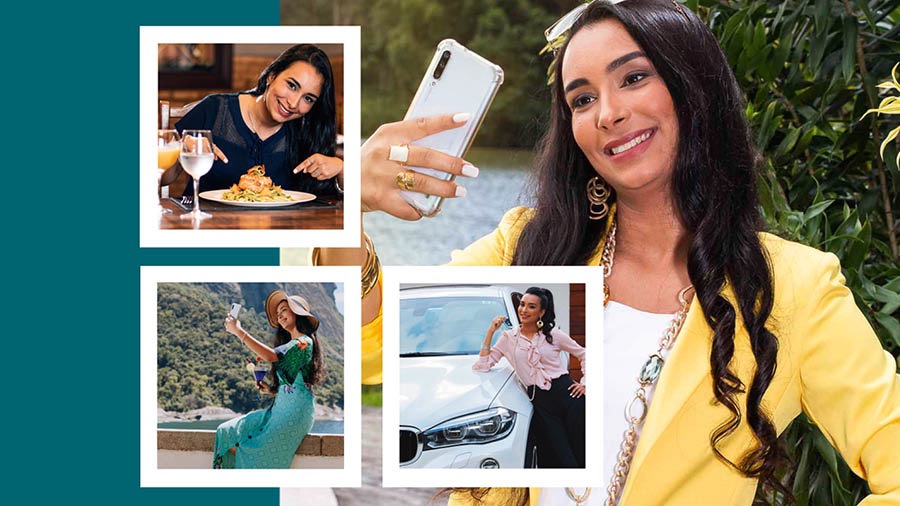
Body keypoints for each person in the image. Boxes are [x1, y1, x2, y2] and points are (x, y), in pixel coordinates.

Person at [315, 0, 899, 503]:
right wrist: (344, 213)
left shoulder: (794, 288)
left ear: (693, 87)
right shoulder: (527, 247)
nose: (609, 113)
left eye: (634, 77)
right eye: (582, 98)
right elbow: (376, 350)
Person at [174, 44, 343, 198]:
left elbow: (328, 203)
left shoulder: (308, 133)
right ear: (272, 75)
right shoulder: (214, 109)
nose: (293, 103)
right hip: (205, 225)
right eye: (292, 86)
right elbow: (164, 177)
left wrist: (342, 169)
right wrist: (181, 147)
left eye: (308, 98)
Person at [213, 290, 326, 469]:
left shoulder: (304, 343)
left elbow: (271, 356)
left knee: (254, 453)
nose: (280, 316)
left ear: (297, 313)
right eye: (278, 313)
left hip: (293, 414)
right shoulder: (291, 345)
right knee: (226, 431)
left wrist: (239, 332)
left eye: (284, 310)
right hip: (276, 411)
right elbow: (290, 383)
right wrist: (271, 390)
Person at [475, 287, 586, 468]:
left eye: (531, 307)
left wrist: (586, 383)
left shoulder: (553, 335)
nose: (524, 310)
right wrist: (490, 332)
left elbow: (584, 354)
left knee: (581, 452)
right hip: (541, 402)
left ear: (541, 312)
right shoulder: (508, 338)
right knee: (560, 457)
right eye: (522, 304)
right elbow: (483, 365)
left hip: (569, 397)